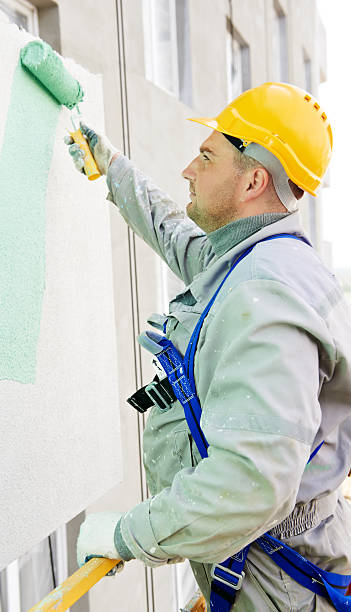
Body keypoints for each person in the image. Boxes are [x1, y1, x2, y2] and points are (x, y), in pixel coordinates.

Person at [66, 82, 351, 610]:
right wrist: (113, 167)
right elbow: (177, 235)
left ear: (253, 181)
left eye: (206, 156)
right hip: (277, 559)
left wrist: (129, 536)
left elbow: (252, 483)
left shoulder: (265, 296)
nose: (188, 171)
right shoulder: (258, 259)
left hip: (275, 584)